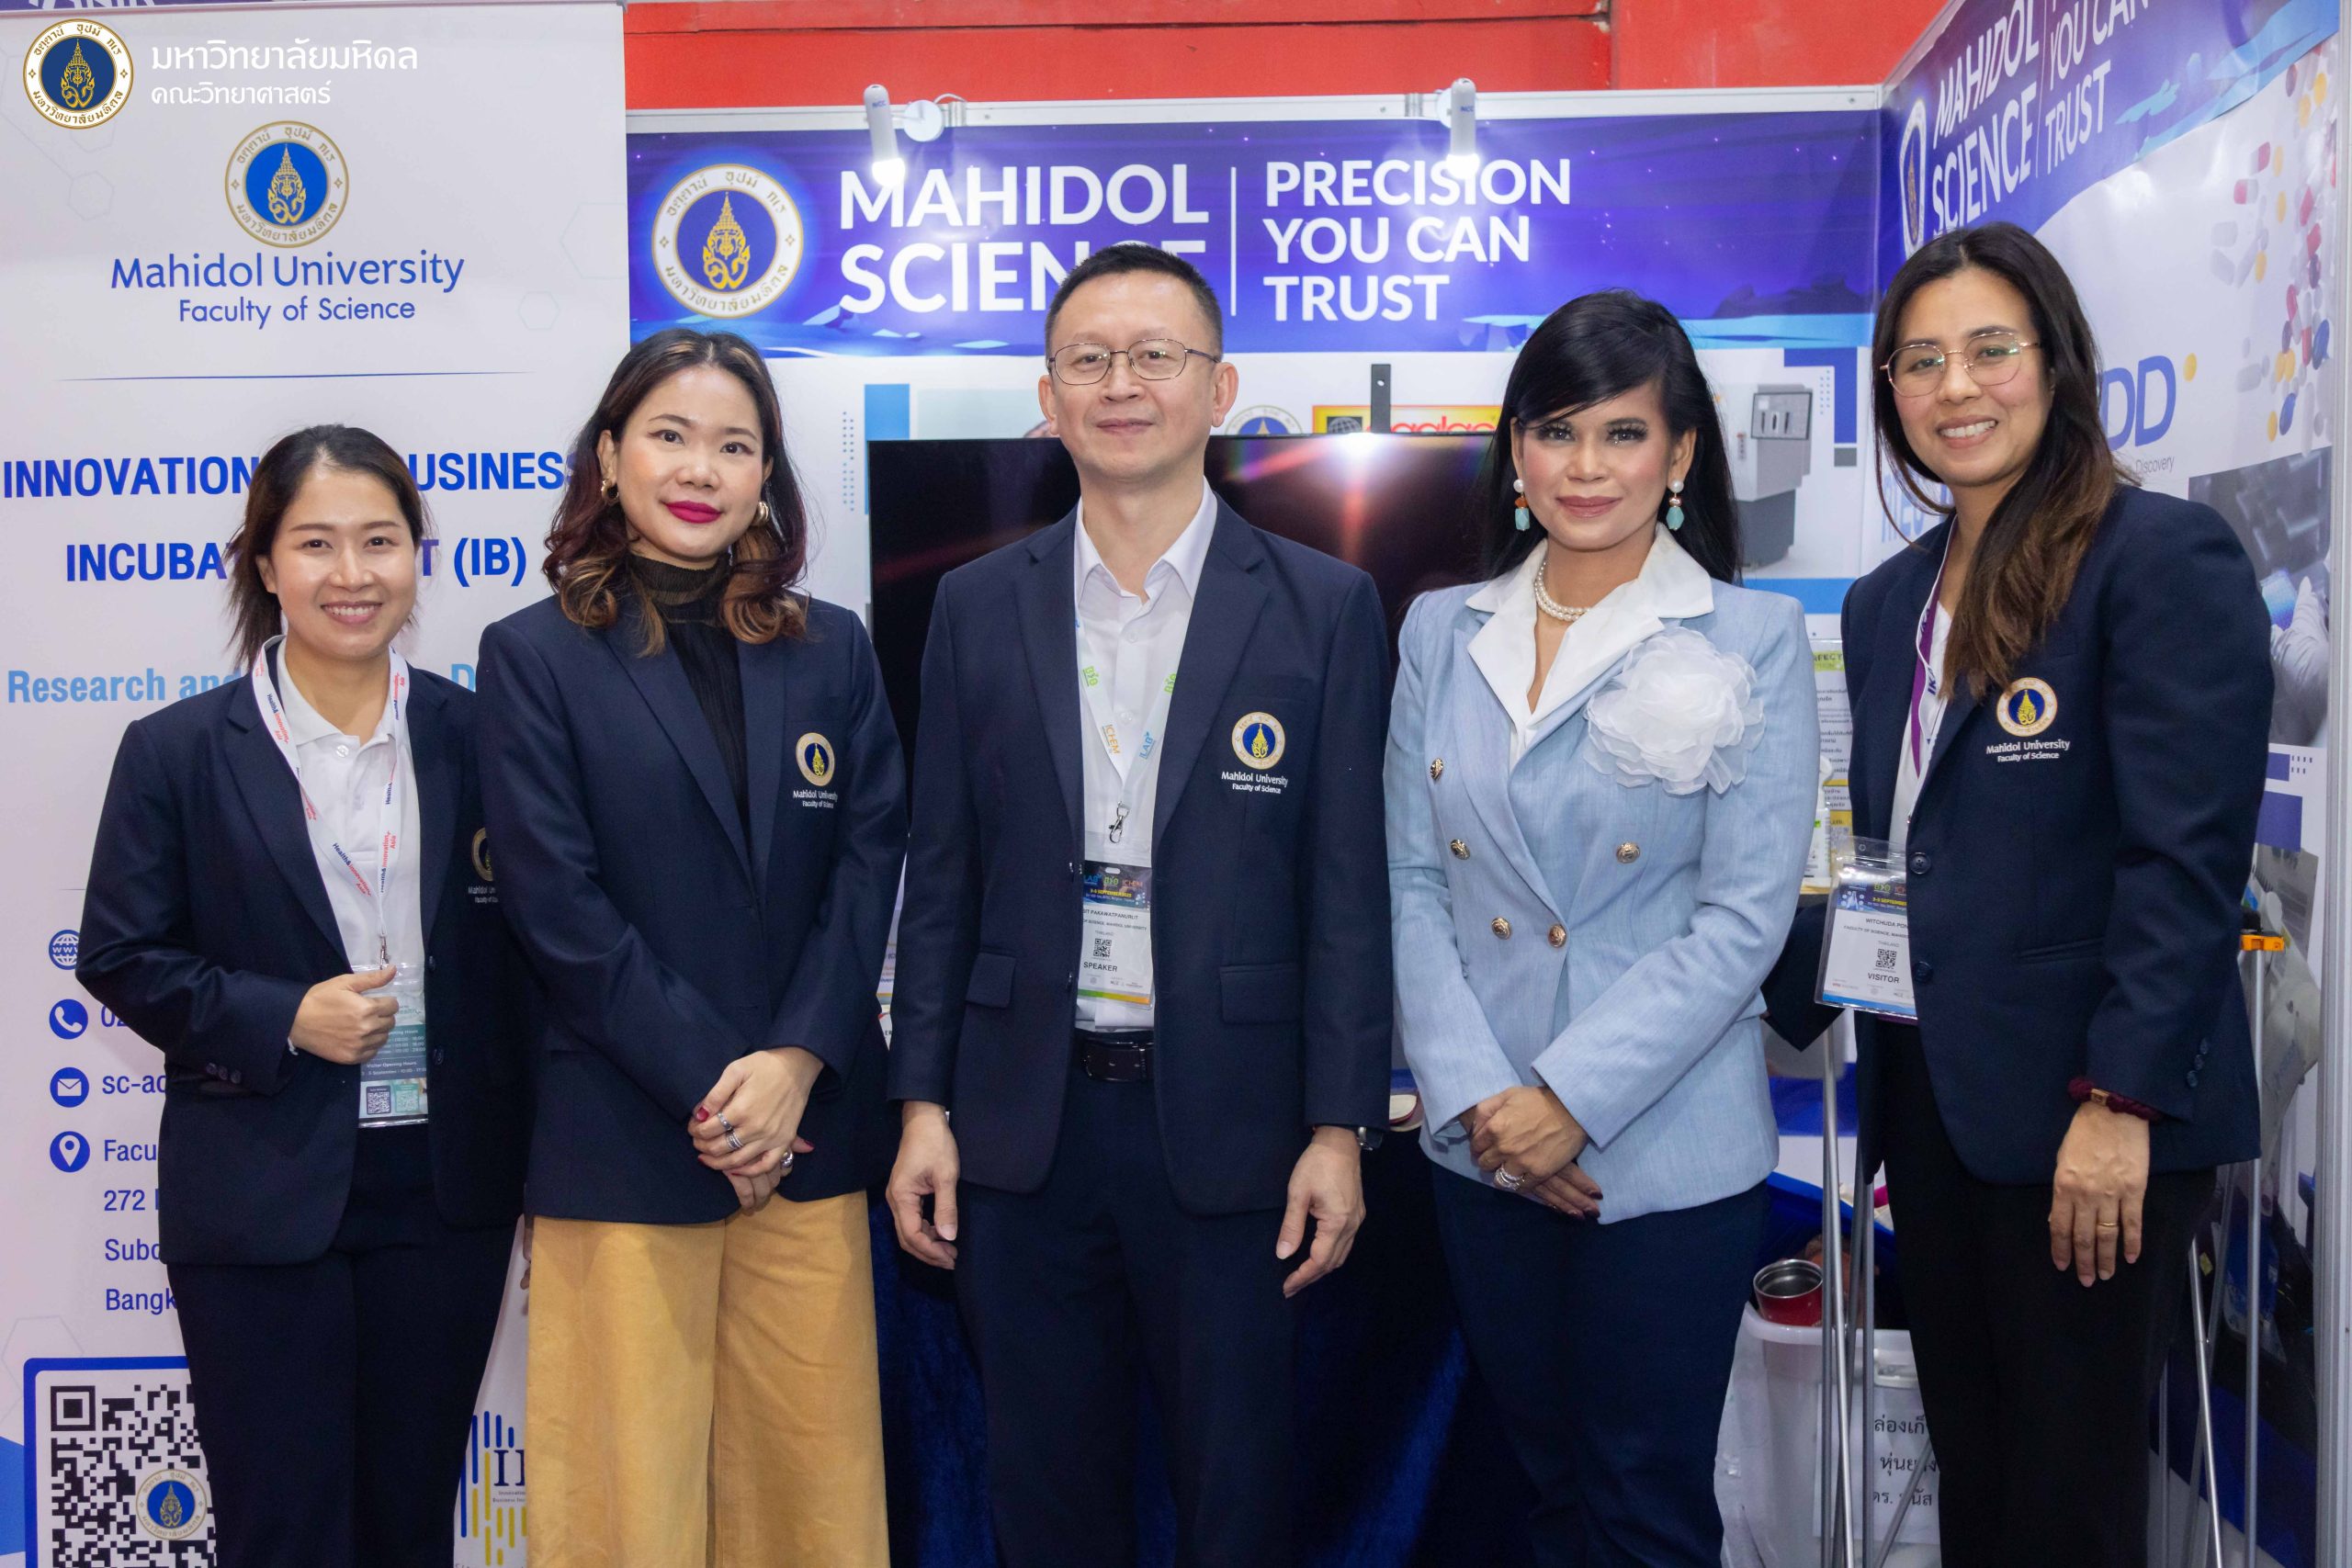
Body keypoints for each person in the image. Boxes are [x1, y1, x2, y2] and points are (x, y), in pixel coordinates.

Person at [1766, 220, 2270, 1567]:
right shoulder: (1888, 603)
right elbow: (1911, 858)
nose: (1956, 387)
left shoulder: (2155, 559)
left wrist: (2122, 1104)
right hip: (1937, 1110)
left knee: (2067, 1509)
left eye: (1990, 349)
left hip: (2089, 1121)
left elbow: (2184, 863)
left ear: (2054, 361)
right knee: (1979, 1489)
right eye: (1920, 361)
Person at [884, 243, 1392, 1568]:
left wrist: (1338, 1123)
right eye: (1090, 360)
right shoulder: (973, 605)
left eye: (1156, 355)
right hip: (1022, 1127)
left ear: (1217, 387)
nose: (1122, 384)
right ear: (1046, 399)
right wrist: (922, 1103)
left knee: (1237, 1500)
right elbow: (942, 875)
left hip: (1233, 1126)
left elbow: (1348, 888)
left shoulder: (1325, 605)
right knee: (1045, 1501)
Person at [1387, 291, 1816, 1565]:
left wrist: (1569, 1099)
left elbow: (1742, 918)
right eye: (1556, 431)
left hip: (1662, 1143)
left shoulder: (1751, 636)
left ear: (1679, 455)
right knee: (1543, 1488)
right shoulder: (1439, 629)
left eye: (1622, 433)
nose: (1586, 466)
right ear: (1515, 451)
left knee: (1642, 1506)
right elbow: (1410, 882)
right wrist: (1487, 1103)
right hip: (1483, 1148)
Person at [476, 328, 904, 1566]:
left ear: (768, 475)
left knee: (814, 1507)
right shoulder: (535, 654)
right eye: (669, 436)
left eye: (734, 445)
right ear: (610, 456)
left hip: (807, 1137)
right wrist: (722, 1096)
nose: (700, 469)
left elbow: (870, 865)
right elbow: (559, 908)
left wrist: (795, 1063)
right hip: (626, 1134)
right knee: (628, 1514)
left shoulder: (833, 645)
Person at [76, 425, 531, 1568]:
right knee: (283, 1529)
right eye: (316, 543)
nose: (352, 573)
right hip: (261, 1191)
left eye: (380, 541)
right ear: (265, 564)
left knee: (409, 1523)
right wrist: (283, 1014)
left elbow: (538, 952)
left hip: (444, 1192)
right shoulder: (177, 750)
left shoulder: (484, 739)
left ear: (418, 557)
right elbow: (121, 954)